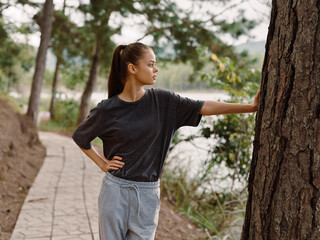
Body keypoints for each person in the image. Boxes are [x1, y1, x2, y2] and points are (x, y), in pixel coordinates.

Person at [72, 42, 260, 240]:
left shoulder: (164, 101)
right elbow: (81, 137)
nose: (156, 69)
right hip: (115, 192)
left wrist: (250, 107)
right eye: (151, 64)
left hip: (147, 194)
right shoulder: (107, 109)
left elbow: (205, 106)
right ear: (132, 68)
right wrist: (102, 163)